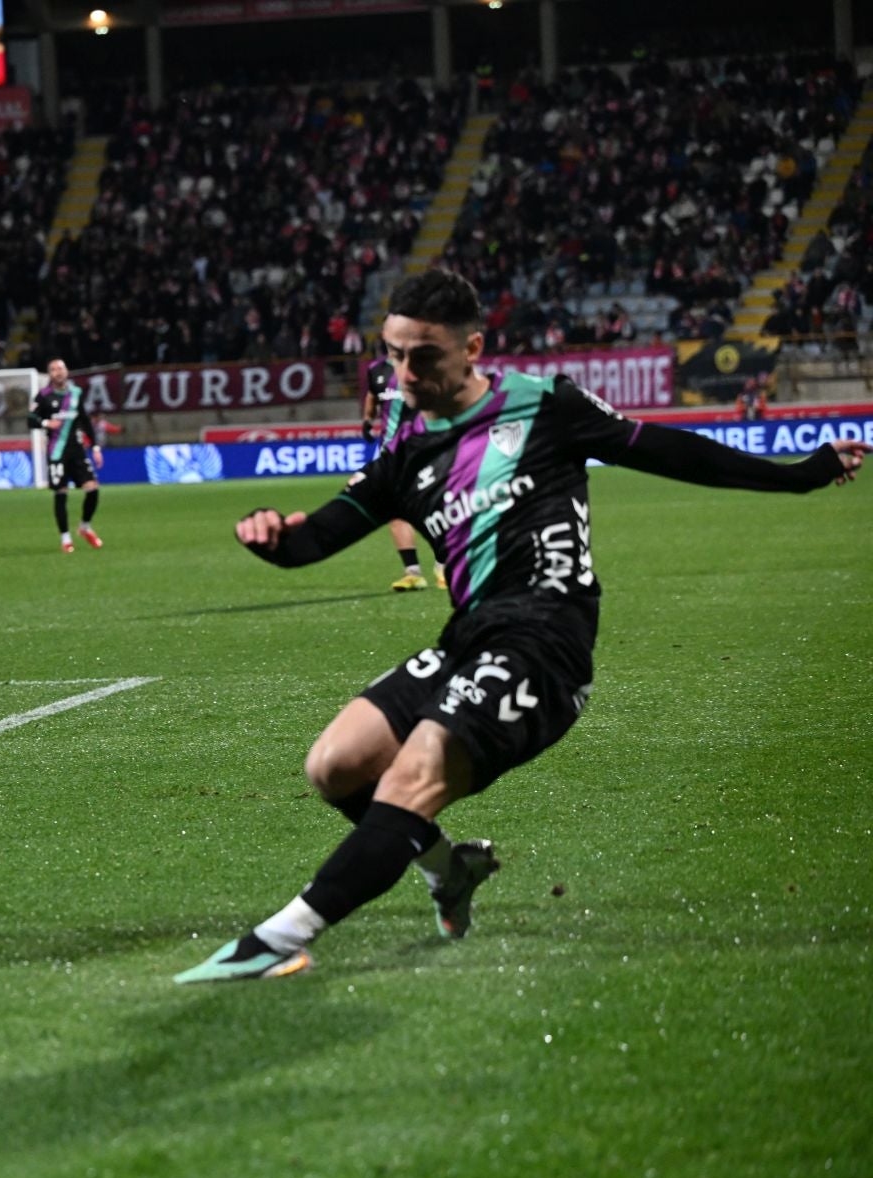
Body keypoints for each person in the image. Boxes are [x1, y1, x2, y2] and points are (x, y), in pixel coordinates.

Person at [175, 268, 866, 984]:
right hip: (469, 637)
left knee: (414, 775)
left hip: (546, 640)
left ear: (473, 348)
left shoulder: (545, 406)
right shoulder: (406, 455)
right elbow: (311, 541)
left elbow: (665, 450)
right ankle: (450, 868)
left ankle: (279, 939)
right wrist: (269, 536)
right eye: (393, 354)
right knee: (335, 765)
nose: (404, 372)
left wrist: (797, 473)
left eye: (424, 356)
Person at [361, 354, 447, 593]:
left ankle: (444, 566)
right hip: (389, 453)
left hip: (423, 449)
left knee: (437, 507)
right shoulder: (376, 369)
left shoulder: (425, 366)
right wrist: (367, 420)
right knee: (395, 512)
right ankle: (413, 573)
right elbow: (372, 395)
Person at [28, 358, 104, 553]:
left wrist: (95, 447)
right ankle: (65, 539)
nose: (58, 372)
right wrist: (46, 423)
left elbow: (85, 421)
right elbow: (30, 419)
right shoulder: (43, 396)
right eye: (53, 369)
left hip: (77, 451)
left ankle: (85, 527)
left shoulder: (76, 394)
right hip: (56, 452)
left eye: (60, 368)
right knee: (61, 493)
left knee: (93, 489)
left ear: (67, 371)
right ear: (49, 374)